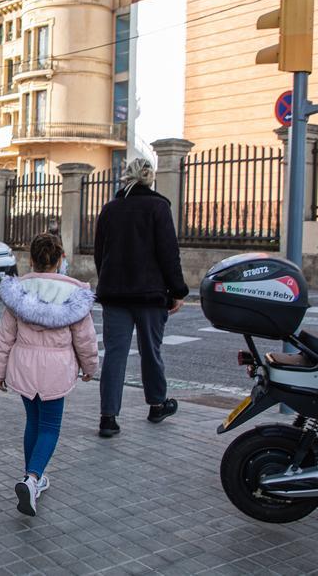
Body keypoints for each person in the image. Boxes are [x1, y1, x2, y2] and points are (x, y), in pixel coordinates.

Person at [0, 233, 99, 517]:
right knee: (50, 427)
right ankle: (32, 478)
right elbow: (86, 340)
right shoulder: (75, 295)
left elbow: (5, 337)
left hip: (23, 366)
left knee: (33, 422)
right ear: (61, 259)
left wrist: (0, 370)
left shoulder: (18, 291)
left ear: (32, 260)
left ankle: (33, 480)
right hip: (57, 370)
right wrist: (90, 368)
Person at [93, 158, 189, 438]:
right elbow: (168, 253)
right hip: (149, 294)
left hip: (115, 295)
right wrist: (178, 291)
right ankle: (157, 405)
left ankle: (108, 418)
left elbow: (101, 254)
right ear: (150, 178)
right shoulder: (159, 207)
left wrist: (108, 280)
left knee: (114, 355)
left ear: (126, 178)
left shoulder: (109, 209)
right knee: (151, 351)